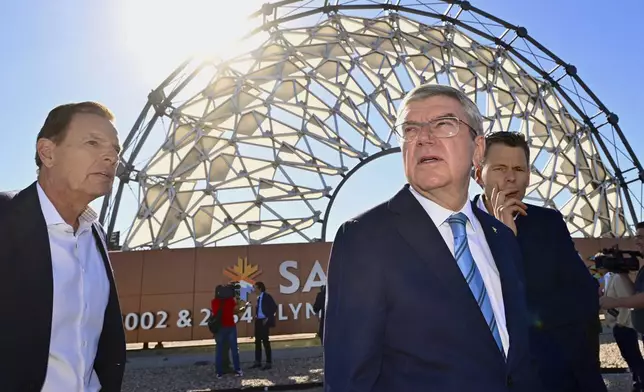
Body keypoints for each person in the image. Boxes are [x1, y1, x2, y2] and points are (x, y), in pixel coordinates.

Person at [324, 84, 541, 392]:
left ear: (477, 150)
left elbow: (518, 356)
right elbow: (349, 379)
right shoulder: (365, 239)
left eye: (444, 124)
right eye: (410, 130)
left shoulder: (502, 237)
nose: (424, 137)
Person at [0, 102, 126, 392]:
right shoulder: (4, 220)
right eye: (92, 142)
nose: (110, 156)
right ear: (48, 152)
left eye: (115, 150)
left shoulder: (95, 235)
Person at [473, 131, 606, 392]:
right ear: (478, 174)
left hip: (554, 374)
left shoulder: (548, 223)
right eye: (499, 168)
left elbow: (584, 295)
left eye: (519, 168)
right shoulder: (458, 227)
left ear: (529, 176)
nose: (511, 177)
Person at [601, 265, 644, 391]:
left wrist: (621, 322)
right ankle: (638, 380)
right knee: (628, 356)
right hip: (617, 323)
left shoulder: (618, 278)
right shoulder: (610, 277)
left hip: (623, 324)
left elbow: (628, 301)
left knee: (633, 357)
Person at [211, 285, 242, 378]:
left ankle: (219, 372)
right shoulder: (230, 301)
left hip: (220, 328)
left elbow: (215, 313)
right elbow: (236, 309)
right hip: (231, 327)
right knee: (234, 349)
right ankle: (238, 370)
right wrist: (236, 298)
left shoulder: (214, 302)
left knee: (219, 350)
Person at [251, 281, 277, 370]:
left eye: (255, 287)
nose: (253, 289)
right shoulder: (258, 298)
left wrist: (267, 317)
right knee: (257, 341)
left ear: (260, 288)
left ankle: (268, 362)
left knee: (265, 341)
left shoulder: (267, 297)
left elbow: (274, 307)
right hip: (258, 321)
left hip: (264, 322)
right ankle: (257, 361)